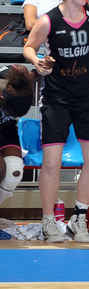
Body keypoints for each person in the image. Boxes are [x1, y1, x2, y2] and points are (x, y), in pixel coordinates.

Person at [23, 0, 89, 243]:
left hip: (87, 94)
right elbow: (29, 46)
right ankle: (48, 221)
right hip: (56, 96)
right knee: (52, 162)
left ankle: (78, 217)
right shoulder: (48, 20)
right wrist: (37, 62)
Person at [0, 65, 36, 208]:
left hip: (6, 129)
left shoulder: (20, 77)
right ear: (1, 99)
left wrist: (42, 66)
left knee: (14, 171)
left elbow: (34, 75)